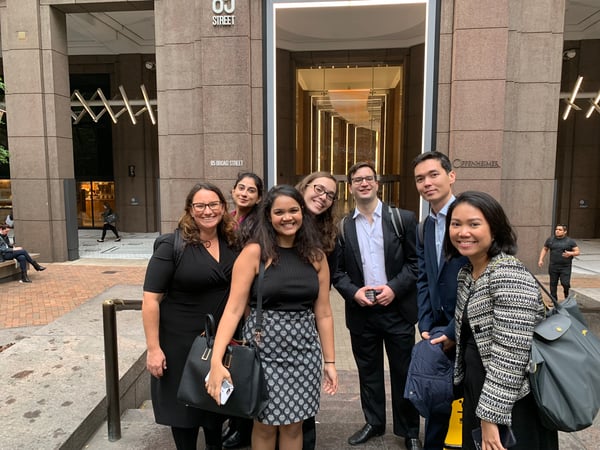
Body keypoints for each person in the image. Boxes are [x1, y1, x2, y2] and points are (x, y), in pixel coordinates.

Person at [206, 185, 338, 450]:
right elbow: (233, 309)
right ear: (268, 216)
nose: (287, 217)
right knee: (264, 424)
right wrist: (216, 361)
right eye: (279, 212)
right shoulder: (254, 253)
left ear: (302, 212)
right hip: (263, 352)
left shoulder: (316, 256)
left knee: (295, 425)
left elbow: (323, 312)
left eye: (293, 210)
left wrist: (330, 361)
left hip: (305, 354)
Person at [444, 191, 558, 450]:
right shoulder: (468, 271)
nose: (463, 232)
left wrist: (490, 417)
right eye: (456, 224)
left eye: (474, 224)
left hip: (510, 400)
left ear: (494, 230)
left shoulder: (507, 274)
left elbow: (511, 355)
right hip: (478, 390)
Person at [142, 182, 239, 450]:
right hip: (179, 343)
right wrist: (153, 349)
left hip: (220, 340)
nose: (208, 211)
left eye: (213, 205)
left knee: (215, 413)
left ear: (223, 208)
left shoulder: (233, 241)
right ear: (190, 210)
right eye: (200, 205)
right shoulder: (172, 245)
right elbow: (151, 300)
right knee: (183, 416)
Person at [333, 161, 422, 450]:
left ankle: (408, 430)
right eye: (357, 179)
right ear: (351, 187)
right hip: (362, 312)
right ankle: (374, 422)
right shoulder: (343, 227)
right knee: (368, 372)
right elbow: (337, 273)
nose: (364, 183)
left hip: (397, 310)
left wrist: (393, 289)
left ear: (377, 183)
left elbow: (415, 263)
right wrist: (354, 292)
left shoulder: (403, 219)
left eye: (368, 178)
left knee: (402, 372)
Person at [412, 151, 468, 450]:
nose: (427, 183)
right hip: (436, 327)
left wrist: (453, 330)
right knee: (437, 402)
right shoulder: (426, 226)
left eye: (433, 174)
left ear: (450, 176)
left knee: (469, 405)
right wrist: (426, 321)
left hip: (470, 327)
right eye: (420, 178)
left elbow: (480, 280)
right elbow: (424, 277)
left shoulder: (469, 216)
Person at [296, 171, 339, 450]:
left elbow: (323, 302)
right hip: (269, 323)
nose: (322, 197)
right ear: (304, 187)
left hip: (305, 324)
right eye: (319, 189)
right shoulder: (274, 220)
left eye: (330, 195)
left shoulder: (326, 235)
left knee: (303, 406)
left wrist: (330, 360)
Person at [221, 172, 264, 450]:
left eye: (251, 190)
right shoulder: (227, 219)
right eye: (241, 188)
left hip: (246, 303)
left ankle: (242, 427)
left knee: (243, 365)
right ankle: (231, 420)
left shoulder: (260, 224)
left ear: (259, 196)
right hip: (225, 296)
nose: (245, 193)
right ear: (233, 190)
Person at [538, 224, 580, 300]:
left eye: (560, 230)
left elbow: (577, 252)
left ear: (565, 232)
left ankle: (567, 295)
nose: (557, 231)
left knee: (565, 283)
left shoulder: (570, 241)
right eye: (556, 229)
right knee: (553, 284)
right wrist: (541, 259)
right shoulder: (550, 240)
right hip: (553, 266)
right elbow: (545, 249)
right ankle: (554, 300)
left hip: (565, 266)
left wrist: (570, 253)